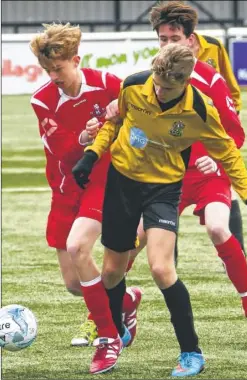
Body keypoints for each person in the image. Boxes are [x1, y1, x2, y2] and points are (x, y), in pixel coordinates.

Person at [72, 44, 247, 377]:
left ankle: (191, 352)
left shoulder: (200, 110)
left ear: (186, 82)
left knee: (162, 269)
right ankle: (118, 328)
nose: (159, 92)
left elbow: (230, 155)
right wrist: (91, 155)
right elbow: (113, 120)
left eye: (168, 88)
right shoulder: (134, 85)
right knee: (111, 273)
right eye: (157, 84)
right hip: (122, 183)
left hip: (164, 188)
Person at [30, 22, 143, 373]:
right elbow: (63, 151)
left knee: (80, 247)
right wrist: (83, 136)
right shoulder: (42, 100)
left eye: (59, 69)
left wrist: (122, 128)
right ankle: (125, 301)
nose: (53, 76)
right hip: (65, 189)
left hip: (103, 179)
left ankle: (108, 338)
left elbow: (138, 122)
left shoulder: (109, 84)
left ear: (76, 60)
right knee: (75, 285)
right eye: (47, 70)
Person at [149, 0, 246, 255]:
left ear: (190, 39)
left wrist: (229, 115)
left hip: (210, 140)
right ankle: (170, 269)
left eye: (175, 38)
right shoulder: (154, 74)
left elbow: (229, 84)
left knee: (225, 195)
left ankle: (236, 255)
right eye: (163, 39)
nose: (169, 44)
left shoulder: (211, 52)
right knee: (164, 214)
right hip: (173, 156)